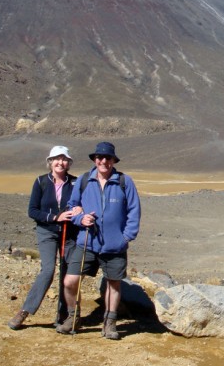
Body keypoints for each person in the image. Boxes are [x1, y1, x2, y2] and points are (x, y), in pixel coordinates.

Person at [56, 141, 141, 340]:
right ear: (95, 160)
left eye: (108, 158)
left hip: (114, 245)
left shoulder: (124, 181)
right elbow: (73, 205)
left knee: (114, 284)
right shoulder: (85, 180)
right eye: (100, 157)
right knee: (70, 281)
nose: (103, 161)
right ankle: (73, 315)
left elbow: (134, 211)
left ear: (113, 160)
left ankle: (110, 322)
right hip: (86, 241)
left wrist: (126, 237)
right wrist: (80, 219)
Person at [8, 146, 78, 330]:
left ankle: (64, 316)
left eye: (64, 159)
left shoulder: (76, 183)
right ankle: (25, 311)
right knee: (48, 270)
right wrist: (55, 217)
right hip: (47, 232)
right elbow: (32, 210)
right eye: (57, 159)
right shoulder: (41, 182)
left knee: (67, 274)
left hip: (69, 234)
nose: (60, 162)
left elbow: (80, 205)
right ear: (50, 162)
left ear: (68, 163)